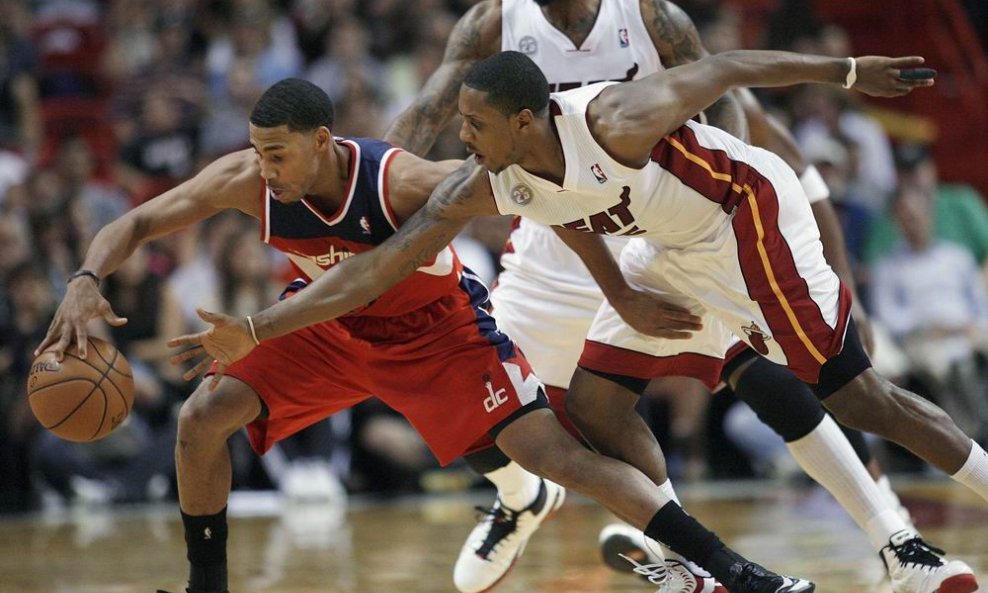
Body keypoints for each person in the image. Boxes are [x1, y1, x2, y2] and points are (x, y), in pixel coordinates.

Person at [170, 50, 988, 593]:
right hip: (655, 248)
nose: (463, 138)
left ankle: (900, 540)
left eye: (475, 126)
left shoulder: (614, 119)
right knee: (593, 404)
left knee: (855, 396)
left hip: (742, 215)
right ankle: (689, 567)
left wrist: (846, 71)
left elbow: (726, 67)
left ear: (524, 121)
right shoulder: (492, 166)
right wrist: (262, 328)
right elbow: (392, 261)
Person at [36, 78, 811, 593]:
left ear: (323, 140)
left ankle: (733, 571)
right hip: (327, 324)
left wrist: (622, 295)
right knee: (200, 419)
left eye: (279, 153)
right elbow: (135, 221)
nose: (266, 169)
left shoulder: (402, 180)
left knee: (561, 456)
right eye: (259, 151)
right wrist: (84, 280)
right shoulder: (247, 179)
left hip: (439, 333)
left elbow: (544, 203)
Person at [381, 2, 973, 593]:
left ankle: (896, 540)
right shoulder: (492, 23)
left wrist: (721, 216)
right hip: (553, 242)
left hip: (668, 230)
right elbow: (426, 113)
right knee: (480, 388)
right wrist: (363, 193)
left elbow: (736, 103)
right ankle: (530, 503)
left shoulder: (649, 19)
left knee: (777, 381)